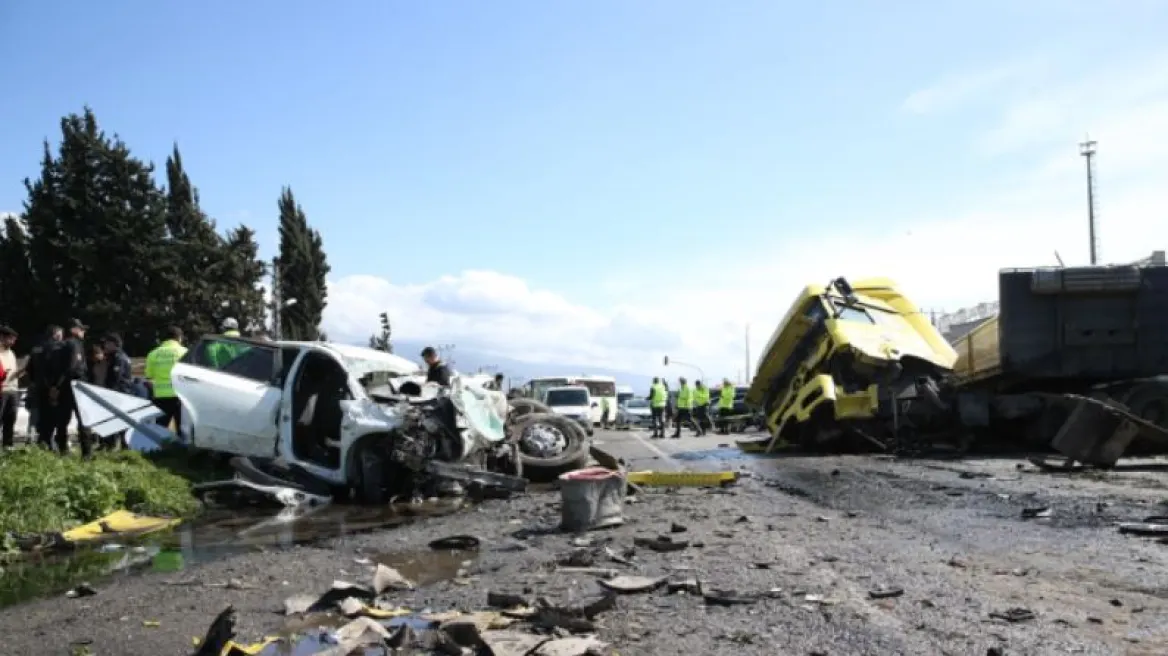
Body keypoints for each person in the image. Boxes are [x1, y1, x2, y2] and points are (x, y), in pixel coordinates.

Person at [45, 319, 89, 456]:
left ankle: (63, 451)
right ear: (74, 330)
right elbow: (72, 367)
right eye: (81, 329)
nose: (84, 332)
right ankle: (87, 453)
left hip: (63, 387)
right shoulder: (74, 344)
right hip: (76, 386)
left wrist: (55, 386)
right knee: (84, 420)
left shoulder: (59, 345)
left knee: (62, 421)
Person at [146, 326, 188, 435]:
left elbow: (149, 376)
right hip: (180, 396)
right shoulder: (185, 352)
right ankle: (181, 451)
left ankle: (158, 451)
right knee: (182, 430)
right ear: (179, 338)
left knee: (160, 430)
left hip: (160, 396)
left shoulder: (153, 354)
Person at [28, 325, 64, 447]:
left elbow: (30, 370)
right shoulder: (57, 348)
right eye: (60, 335)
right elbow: (57, 369)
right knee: (54, 417)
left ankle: (42, 442)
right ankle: (51, 443)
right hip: (53, 388)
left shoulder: (36, 349)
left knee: (41, 417)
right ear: (56, 335)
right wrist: (56, 386)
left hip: (39, 387)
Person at [0, 326, 20, 449]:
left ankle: (8, 446)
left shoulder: (11, 353)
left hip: (13, 389)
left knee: (10, 419)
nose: (13, 342)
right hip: (2, 390)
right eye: (10, 339)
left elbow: (13, 372)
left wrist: (20, 372)